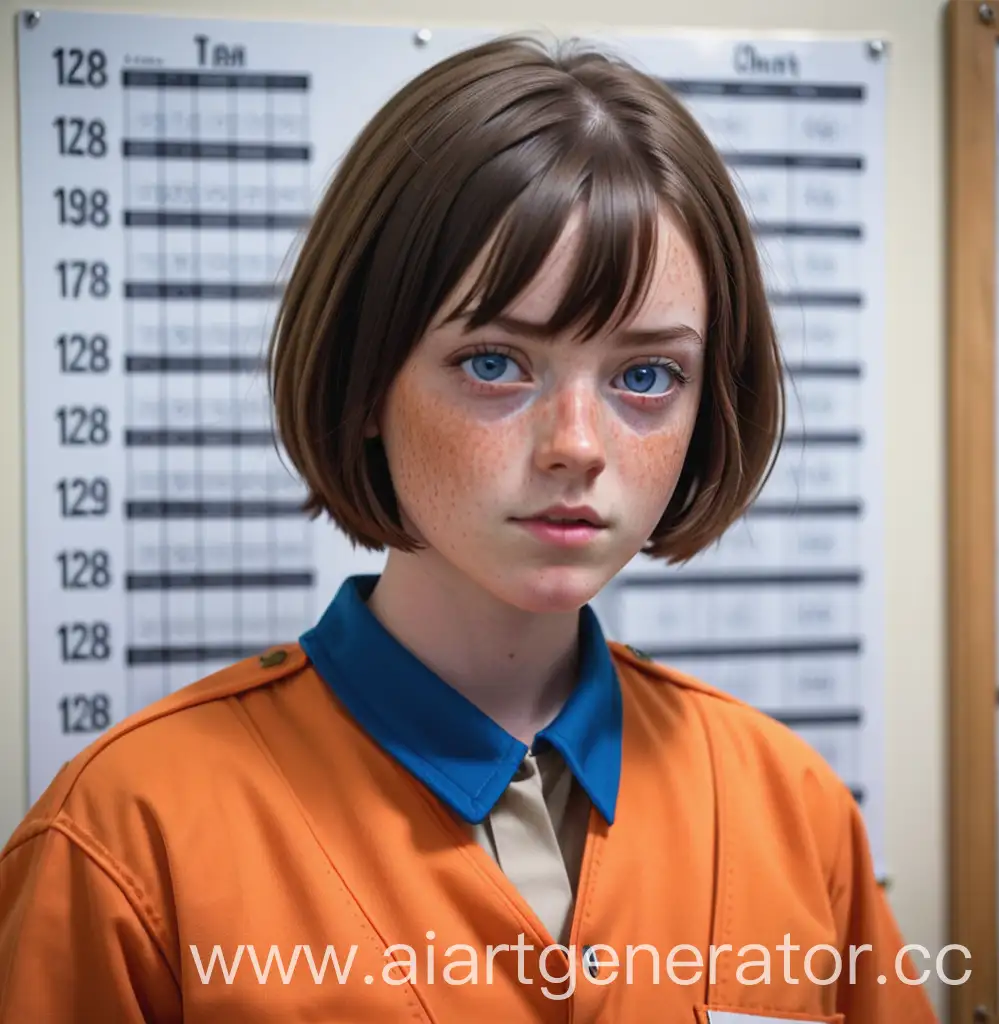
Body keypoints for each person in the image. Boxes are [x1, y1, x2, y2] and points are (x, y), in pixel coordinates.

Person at [0, 34, 938, 1023]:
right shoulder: (123, 838)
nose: (575, 445)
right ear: (367, 380)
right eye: (494, 362)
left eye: (646, 375)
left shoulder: (792, 808)